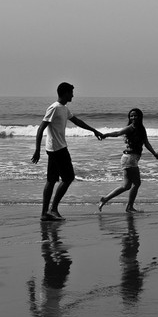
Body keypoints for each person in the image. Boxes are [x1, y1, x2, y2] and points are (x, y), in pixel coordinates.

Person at [31, 82, 104, 221]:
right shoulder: (54, 108)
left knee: (52, 180)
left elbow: (77, 121)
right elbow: (41, 128)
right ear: (65, 93)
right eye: (71, 93)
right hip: (58, 149)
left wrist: (94, 130)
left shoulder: (64, 108)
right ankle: (52, 209)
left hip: (55, 148)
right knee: (68, 178)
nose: (73, 95)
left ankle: (45, 213)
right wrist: (37, 150)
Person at [98, 108, 158, 213]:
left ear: (140, 117)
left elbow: (146, 142)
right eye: (131, 116)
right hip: (129, 158)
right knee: (136, 183)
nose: (133, 117)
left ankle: (105, 199)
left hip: (130, 158)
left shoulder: (141, 128)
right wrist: (105, 135)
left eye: (135, 115)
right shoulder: (131, 128)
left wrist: (154, 153)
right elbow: (117, 133)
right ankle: (129, 207)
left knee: (126, 186)